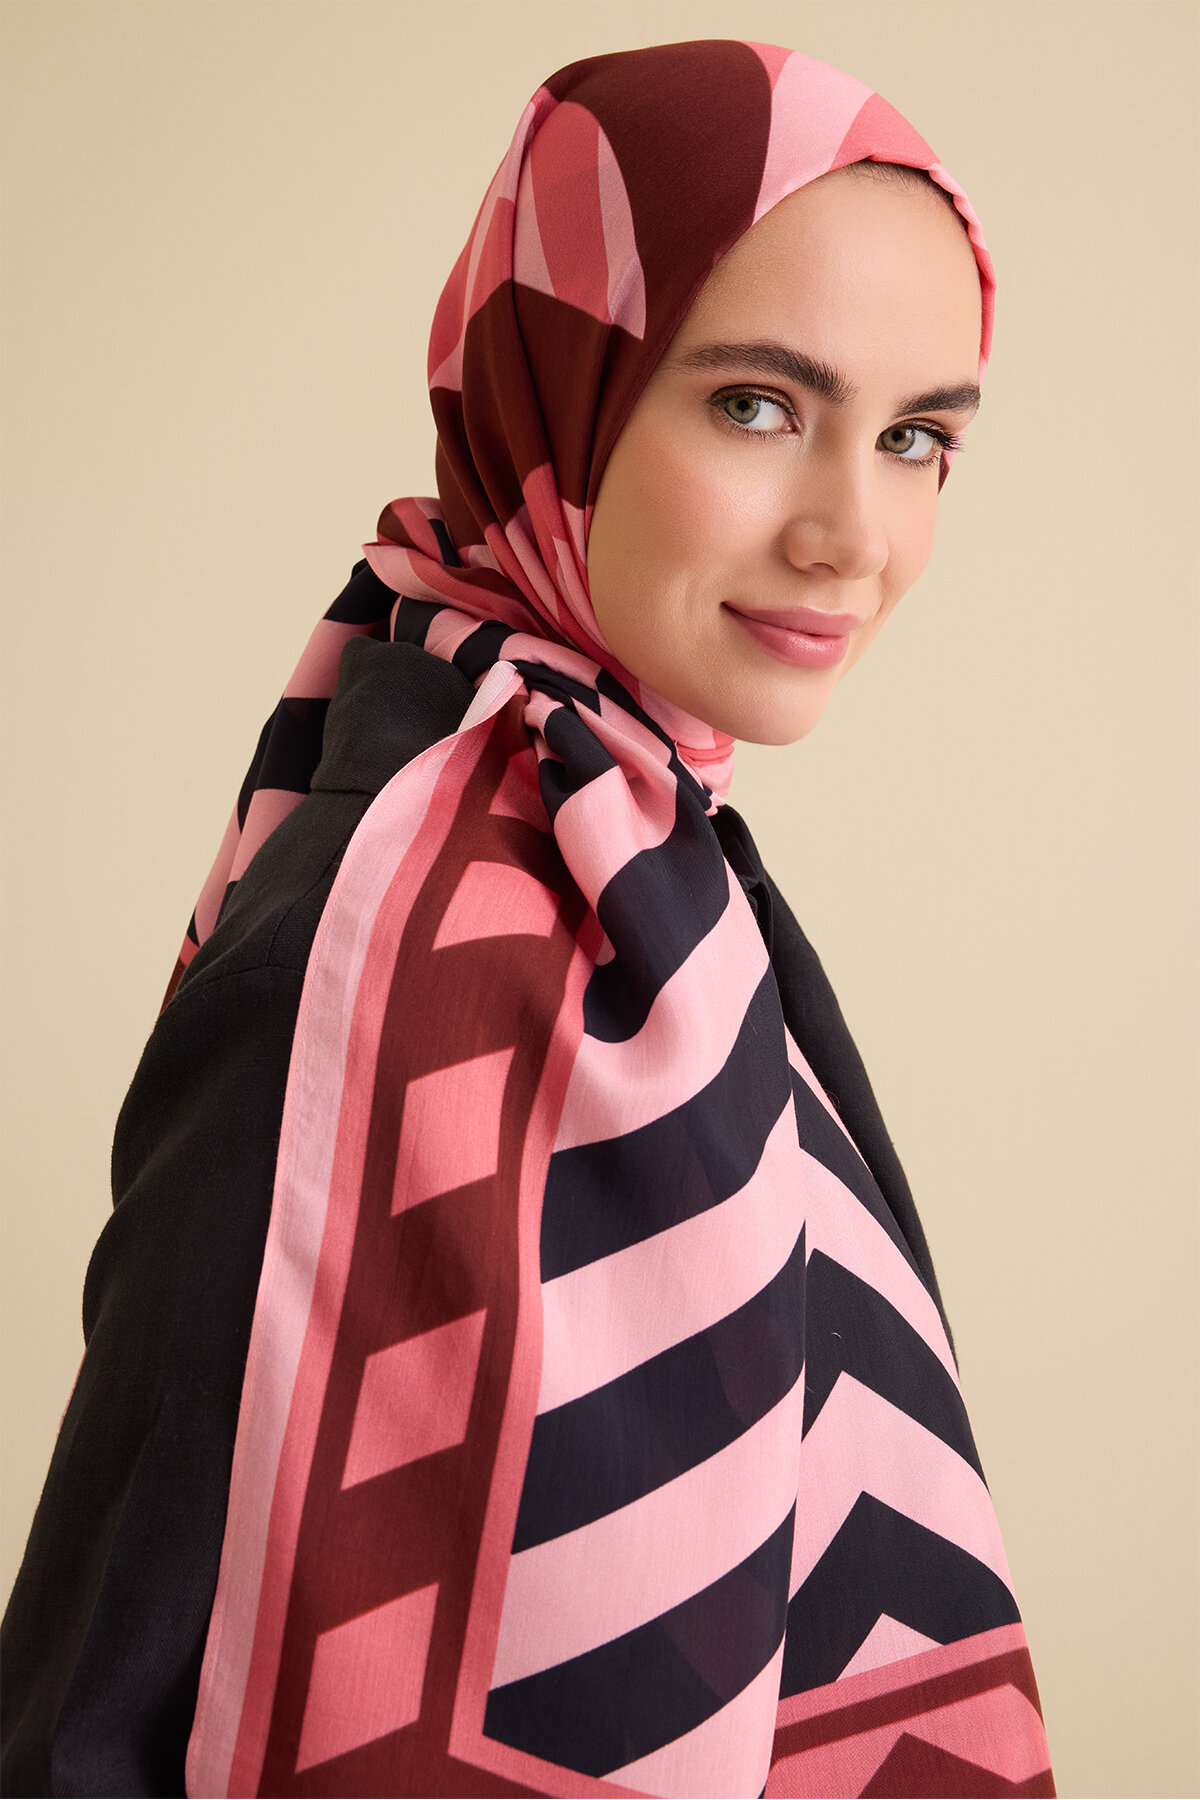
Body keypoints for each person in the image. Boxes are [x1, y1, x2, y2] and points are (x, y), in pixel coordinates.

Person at [1, 38, 1055, 1800]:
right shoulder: (377, 949)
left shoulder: (646, 866)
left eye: (916, 439)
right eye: (757, 405)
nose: (852, 534)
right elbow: (114, 1675)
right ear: (559, 387)